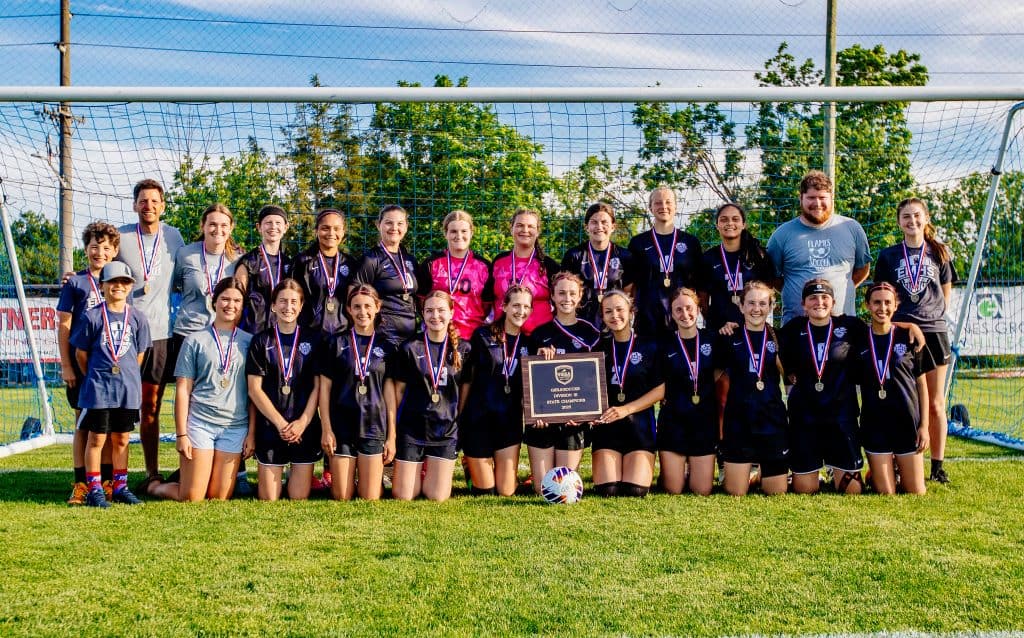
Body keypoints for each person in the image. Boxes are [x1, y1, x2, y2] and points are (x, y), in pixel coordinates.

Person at [147, 278, 254, 501]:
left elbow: (253, 394)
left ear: (242, 305)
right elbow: (183, 390)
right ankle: (155, 487)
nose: (230, 305)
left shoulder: (250, 342)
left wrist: (251, 434)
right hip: (200, 425)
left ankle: (192, 473)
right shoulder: (195, 340)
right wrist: (182, 434)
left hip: (234, 428)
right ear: (214, 302)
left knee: (218, 497)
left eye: (236, 300)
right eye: (224, 299)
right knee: (192, 497)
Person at [873, 197, 956, 484]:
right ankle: (901, 459)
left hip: (933, 333)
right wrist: (906, 323)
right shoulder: (888, 256)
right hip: (901, 332)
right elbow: (881, 297)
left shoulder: (939, 252)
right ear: (899, 222)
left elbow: (945, 295)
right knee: (904, 401)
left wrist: (931, 320)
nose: (912, 221)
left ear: (926, 217)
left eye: (916, 216)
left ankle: (938, 466)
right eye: (906, 217)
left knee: (934, 402)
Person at [116, 179, 185, 490]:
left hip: (159, 335)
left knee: (152, 405)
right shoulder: (121, 237)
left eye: (154, 201)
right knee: (119, 404)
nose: (149, 206)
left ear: (163, 206)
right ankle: (110, 474)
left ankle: (152, 472)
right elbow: (101, 270)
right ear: (135, 205)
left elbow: (191, 272)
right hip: (125, 333)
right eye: (143, 201)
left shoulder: (174, 237)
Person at [170, 202, 243, 490]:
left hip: (226, 338)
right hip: (190, 334)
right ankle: (186, 461)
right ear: (203, 226)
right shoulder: (185, 254)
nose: (217, 229)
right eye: (212, 224)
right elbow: (171, 286)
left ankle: (233, 472)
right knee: (190, 399)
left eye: (224, 225)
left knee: (227, 396)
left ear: (231, 228)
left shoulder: (238, 259)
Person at [70, 262, 152, 507]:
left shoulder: (138, 317)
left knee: (122, 439)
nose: (118, 286)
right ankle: (94, 488)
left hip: (127, 390)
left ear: (130, 287)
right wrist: (97, 376)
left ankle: (120, 486)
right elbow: (81, 355)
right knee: (96, 439)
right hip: (99, 390)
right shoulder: (91, 316)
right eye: (112, 282)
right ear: (102, 286)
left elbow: (139, 354)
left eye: (124, 282)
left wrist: (124, 375)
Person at [780, 279, 865, 494]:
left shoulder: (850, 327)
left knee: (852, 491)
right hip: (806, 419)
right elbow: (762, 337)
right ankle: (805, 471)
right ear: (803, 304)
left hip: (841, 417)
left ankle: (845, 469)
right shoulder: (792, 330)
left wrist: (910, 327)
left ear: (833, 302)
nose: (819, 302)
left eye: (824, 297)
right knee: (805, 490)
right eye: (812, 298)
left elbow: (884, 327)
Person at [386, 290, 471, 502]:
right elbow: (397, 392)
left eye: (441, 310)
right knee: (404, 495)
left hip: (445, 431)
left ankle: (429, 471)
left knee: (436, 496)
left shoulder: (464, 349)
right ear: (422, 314)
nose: (435, 316)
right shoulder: (409, 347)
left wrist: (456, 425)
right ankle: (416, 471)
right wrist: (393, 433)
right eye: (429, 311)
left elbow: (464, 396)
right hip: (412, 429)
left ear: (451, 312)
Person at [59, 222, 120, 505]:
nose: (100, 252)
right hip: (81, 364)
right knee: (83, 424)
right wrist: (67, 365)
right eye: (95, 246)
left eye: (106, 247)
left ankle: (105, 482)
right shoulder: (76, 283)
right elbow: (64, 324)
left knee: (105, 427)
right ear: (86, 249)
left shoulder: (117, 283)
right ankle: (81, 484)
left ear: (115, 251)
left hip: (108, 366)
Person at [245, 279, 322, 501]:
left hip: (303, 427)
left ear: (301, 305)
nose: (288, 307)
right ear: (273, 305)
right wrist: (280, 424)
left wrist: (302, 423)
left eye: (293, 302)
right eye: (282, 301)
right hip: (271, 427)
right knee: (269, 498)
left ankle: (295, 475)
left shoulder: (313, 340)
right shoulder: (261, 341)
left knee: (298, 497)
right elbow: (254, 389)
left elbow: (318, 387)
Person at [319, 285, 397, 501]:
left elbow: (390, 394)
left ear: (378, 307)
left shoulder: (388, 347)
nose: (363, 312)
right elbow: (324, 390)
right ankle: (353, 474)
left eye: (368, 306)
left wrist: (391, 436)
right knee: (342, 496)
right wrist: (327, 428)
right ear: (349, 310)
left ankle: (372, 478)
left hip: (373, 425)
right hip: (342, 425)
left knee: (370, 497)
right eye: (357, 307)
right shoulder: (335, 343)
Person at [713, 281, 789, 496]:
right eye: (751, 303)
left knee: (776, 492)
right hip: (739, 422)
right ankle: (748, 473)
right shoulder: (729, 337)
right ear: (741, 306)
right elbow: (713, 375)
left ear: (771, 306)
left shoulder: (779, 337)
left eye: (763, 303)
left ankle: (763, 474)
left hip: (771, 419)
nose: (757, 308)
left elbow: (790, 376)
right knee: (736, 492)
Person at [766, 170, 871, 325]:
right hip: (796, 325)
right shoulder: (781, 235)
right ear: (801, 198)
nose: (817, 203)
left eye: (822, 198)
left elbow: (862, 269)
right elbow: (772, 277)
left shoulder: (851, 228)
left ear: (831, 198)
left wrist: (840, 289)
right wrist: (799, 293)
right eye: (811, 198)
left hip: (843, 326)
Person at [460, 285, 534, 496]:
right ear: (504, 306)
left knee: (506, 492)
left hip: (508, 422)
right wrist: (461, 416)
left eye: (526, 306)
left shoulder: (530, 343)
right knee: (485, 492)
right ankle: (470, 465)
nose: (521, 311)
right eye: (516, 305)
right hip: (479, 420)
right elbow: (468, 379)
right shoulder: (482, 336)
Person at [590, 290, 665, 497]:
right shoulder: (597, 347)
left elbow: (660, 389)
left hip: (639, 427)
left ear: (631, 311)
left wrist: (626, 409)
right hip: (607, 427)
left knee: (635, 490)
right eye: (608, 311)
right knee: (608, 489)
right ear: (602, 316)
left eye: (620, 309)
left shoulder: (649, 346)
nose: (615, 315)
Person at [858, 282, 930, 495]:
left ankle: (897, 467)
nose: (882, 308)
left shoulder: (908, 338)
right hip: (875, 424)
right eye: (877, 302)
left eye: (888, 302)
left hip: (906, 422)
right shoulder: (859, 338)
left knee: (916, 491)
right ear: (868, 306)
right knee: (886, 493)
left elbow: (922, 384)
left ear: (896, 305)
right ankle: (878, 472)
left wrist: (924, 426)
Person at [528, 272, 600, 480]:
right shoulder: (540, 334)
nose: (566, 298)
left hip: (573, 421)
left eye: (571, 293)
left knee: (563, 483)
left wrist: (584, 413)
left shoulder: (591, 333)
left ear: (580, 296)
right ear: (552, 296)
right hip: (544, 418)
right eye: (561, 293)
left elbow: (593, 380)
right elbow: (532, 381)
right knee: (542, 487)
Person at [657, 288, 718, 496]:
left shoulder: (713, 339)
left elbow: (720, 373)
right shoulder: (663, 344)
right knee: (673, 490)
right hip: (673, 420)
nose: (685, 314)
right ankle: (672, 471)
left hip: (703, 421)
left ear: (698, 309)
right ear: (672, 314)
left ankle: (691, 468)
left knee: (702, 490)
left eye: (689, 308)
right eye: (678, 310)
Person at [628, 187, 703, 335]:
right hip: (648, 320)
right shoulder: (638, 243)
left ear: (675, 206)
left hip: (682, 320)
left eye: (668, 202)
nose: (663, 206)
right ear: (650, 207)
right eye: (658, 203)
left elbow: (699, 286)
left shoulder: (690, 242)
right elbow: (631, 286)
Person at [417, 210, 493, 340]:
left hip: (473, 336)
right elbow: (421, 302)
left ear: (471, 233)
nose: (459, 235)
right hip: (438, 335)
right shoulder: (431, 264)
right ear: (445, 234)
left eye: (464, 231)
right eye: (453, 231)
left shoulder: (484, 266)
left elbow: (487, 305)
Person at [700, 202, 775, 332]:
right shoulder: (708, 258)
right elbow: (703, 301)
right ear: (717, 225)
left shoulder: (758, 256)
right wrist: (718, 324)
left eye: (735, 219)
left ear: (743, 224)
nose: (730, 223)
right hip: (720, 330)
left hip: (752, 328)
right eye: (724, 219)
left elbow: (767, 295)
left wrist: (755, 322)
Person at [562, 202, 636, 329]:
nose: (599, 226)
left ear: (613, 226)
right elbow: (565, 291)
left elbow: (628, 293)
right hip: (582, 320)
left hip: (614, 321)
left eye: (604, 222)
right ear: (586, 227)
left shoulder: (625, 256)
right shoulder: (574, 255)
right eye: (594, 222)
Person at [353, 205, 420, 347]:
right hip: (383, 337)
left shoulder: (410, 260)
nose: (394, 227)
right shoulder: (371, 260)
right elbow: (354, 295)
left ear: (406, 227)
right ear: (379, 225)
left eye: (400, 223)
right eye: (389, 222)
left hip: (410, 338)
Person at [490, 208, 559, 336]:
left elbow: (559, 302)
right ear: (511, 229)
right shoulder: (499, 262)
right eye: (520, 225)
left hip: (539, 338)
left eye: (530, 226)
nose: (525, 230)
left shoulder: (549, 265)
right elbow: (487, 300)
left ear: (537, 232)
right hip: (502, 336)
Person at [290, 208, 357, 337]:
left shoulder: (351, 264)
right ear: (316, 231)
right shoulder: (302, 262)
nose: (331, 233)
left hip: (343, 335)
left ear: (343, 232)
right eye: (325, 228)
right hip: (309, 334)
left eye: (336, 228)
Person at [235, 205, 292, 335]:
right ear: (259, 227)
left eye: (278, 223)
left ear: (285, 227)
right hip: (251, 330)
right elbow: (237, 298)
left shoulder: (289, 263)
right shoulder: (248, 262)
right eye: (268, 223)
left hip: (280, 330)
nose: (273, 227)